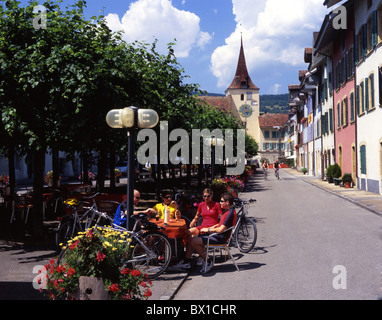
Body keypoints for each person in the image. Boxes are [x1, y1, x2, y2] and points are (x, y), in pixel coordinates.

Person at [174, 192, 237, 273]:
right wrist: (210, 227)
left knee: (193, 241)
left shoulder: (230, 213)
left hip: (219, 238)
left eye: (221, 201)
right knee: (191, 237)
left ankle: (208, 261)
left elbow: (221, 230)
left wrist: (207, 230)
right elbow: (220, 224)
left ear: (227, 202)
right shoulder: (228, 211)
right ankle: (187, 261)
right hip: (216, 235)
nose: (220, 203)